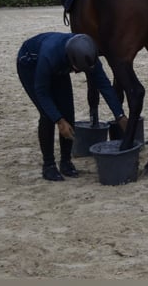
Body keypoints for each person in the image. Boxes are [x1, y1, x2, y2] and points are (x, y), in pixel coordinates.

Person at [16, 32, 127, 181]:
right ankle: (48, 165)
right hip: (30, 64)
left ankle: (66, 162)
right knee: (47, 115)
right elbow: (41, 92)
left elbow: (104, 85)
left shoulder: (89, 54)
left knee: (68, 111)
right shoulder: (49, 56)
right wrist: (59, 121)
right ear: (72, 62)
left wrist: (120, 115)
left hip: (59, 67)